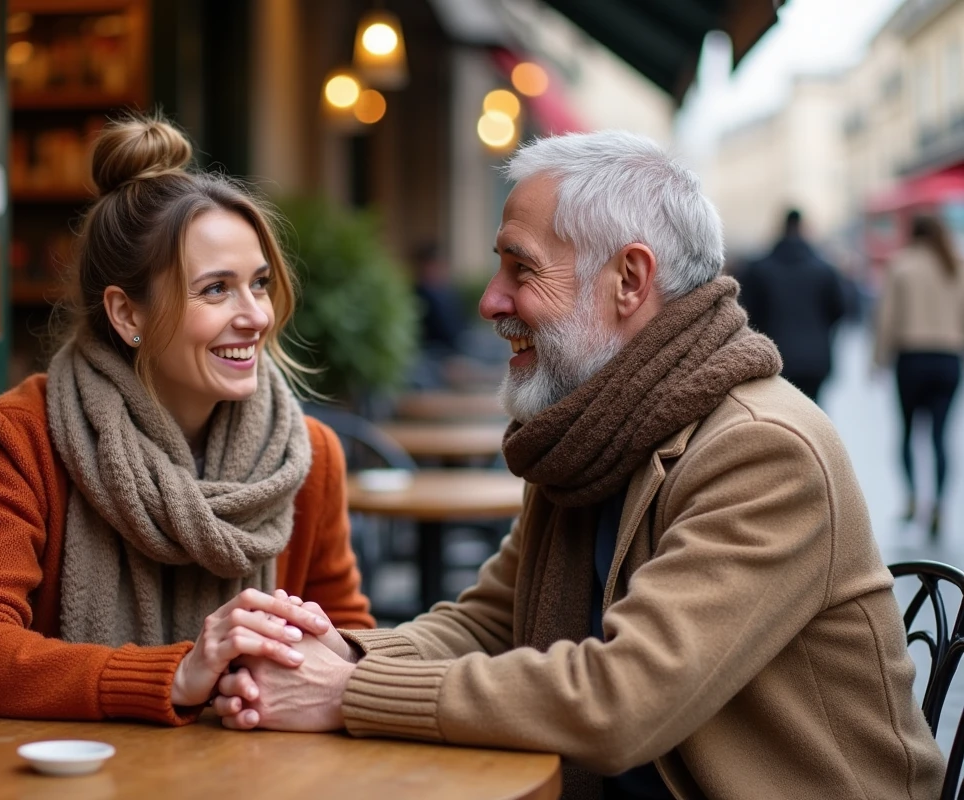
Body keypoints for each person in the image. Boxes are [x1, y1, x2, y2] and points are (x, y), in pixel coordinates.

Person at [210, 131, 945, 799]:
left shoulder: (765, 449)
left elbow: (622, 702)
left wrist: (348, 692)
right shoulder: (594, 432)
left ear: (629, 279)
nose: (492, 300)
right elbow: (490, 622)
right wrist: (329, 652)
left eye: (519, 268)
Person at [0, 114, 374, 726]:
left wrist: (314, 652)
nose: (255, 316)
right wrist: (178, 673)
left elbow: (348, 634)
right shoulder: (24, 435)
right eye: (215, 290)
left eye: (259, 284)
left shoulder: (307, 457)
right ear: (127, 313)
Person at [874, 214, 964, 538]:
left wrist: (878, 359)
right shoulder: (955, 265)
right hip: (948, 358)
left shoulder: (901, 265)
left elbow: (887, 317)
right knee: (940, 437)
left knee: (908, 432)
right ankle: (939, 504)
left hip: (912, 357)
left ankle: (912, 498)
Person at [738, 208, 846, 403]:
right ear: (803, 228)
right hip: (815, 360)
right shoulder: (824, 270)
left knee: (778, 418)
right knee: (812, 414)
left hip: (774, 357)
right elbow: (839, 310)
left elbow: (746, 313)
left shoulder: (759, 269)